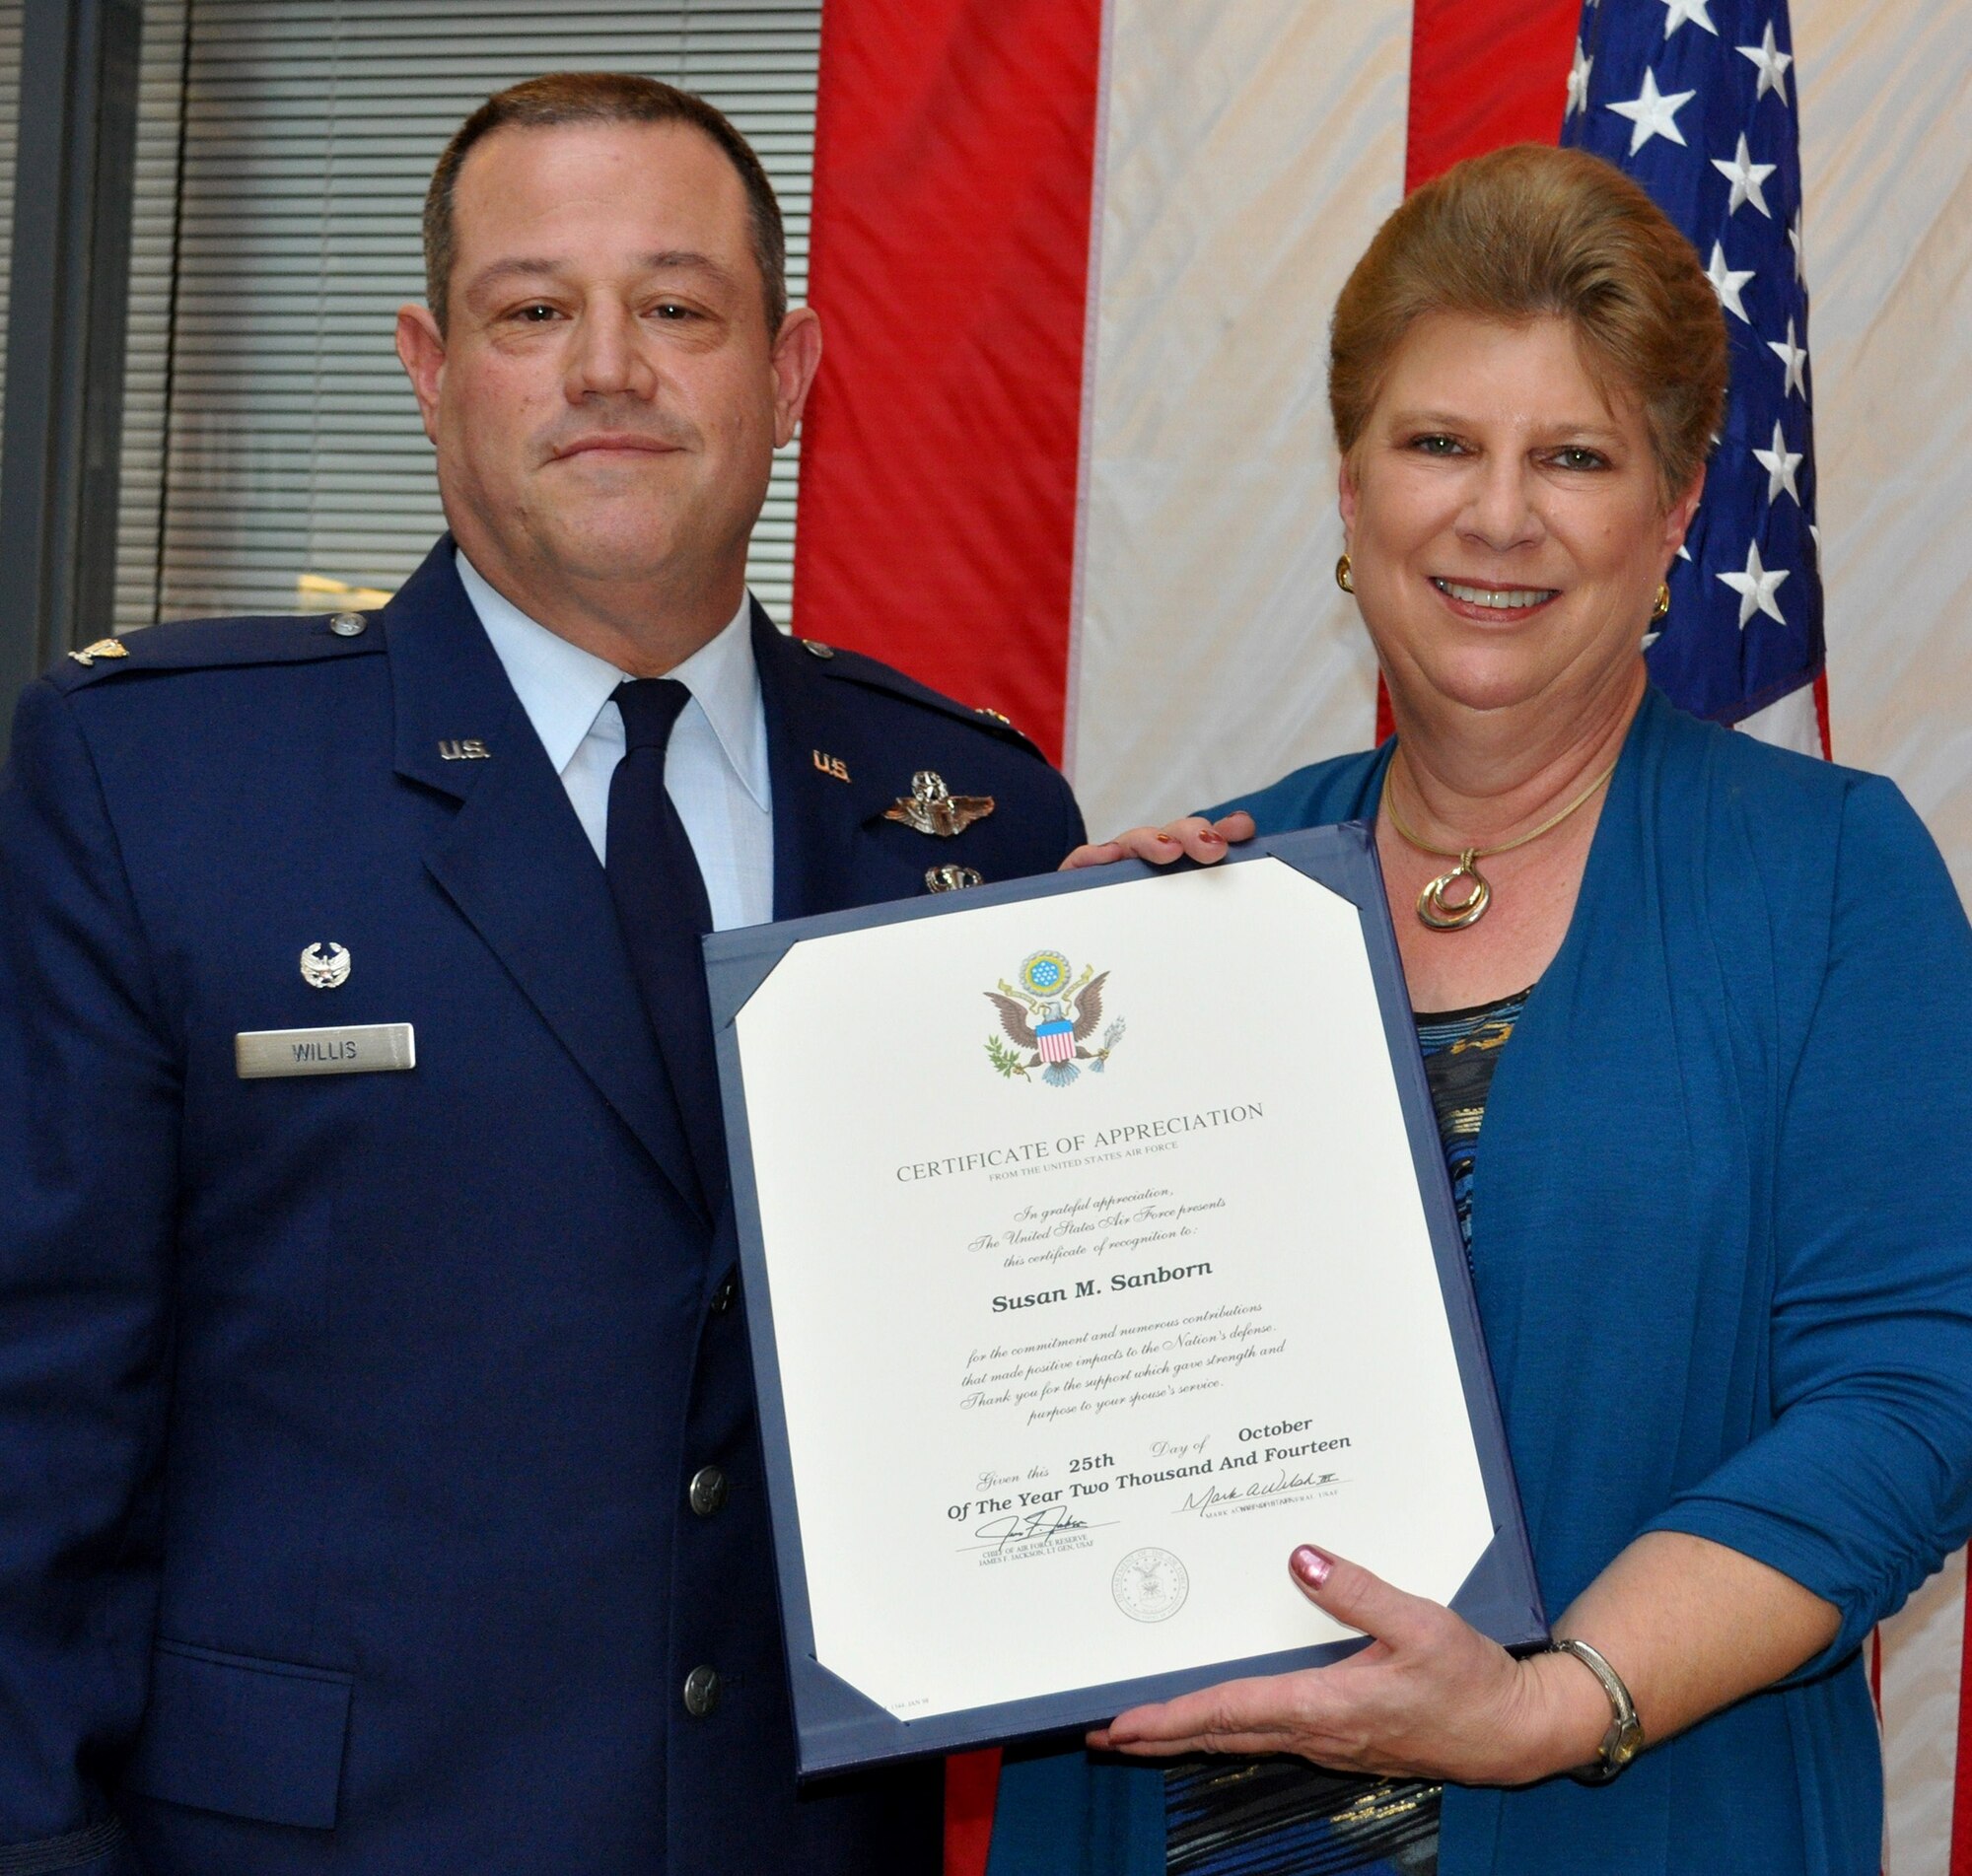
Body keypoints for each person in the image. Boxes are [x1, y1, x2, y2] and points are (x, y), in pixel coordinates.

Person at [0, 73, 1083, 1876]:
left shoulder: (966, 816)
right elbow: (36, 1424)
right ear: (431, 368)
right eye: (532, 312)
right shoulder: (160, 784)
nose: (607, 368)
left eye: (676, 308)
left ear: (791, 371)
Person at [988, 143, 1972, 1876]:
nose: (1497, 515)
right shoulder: (1195, 900)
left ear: (1676, 516)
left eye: (1575, 458)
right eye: (1439, 442)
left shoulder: (1829, 878)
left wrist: (1550, 1702)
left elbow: (1917, 1395)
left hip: (1641, 1813)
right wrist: (1012, 1063)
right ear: (1352, 486)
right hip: (1162, 1829)